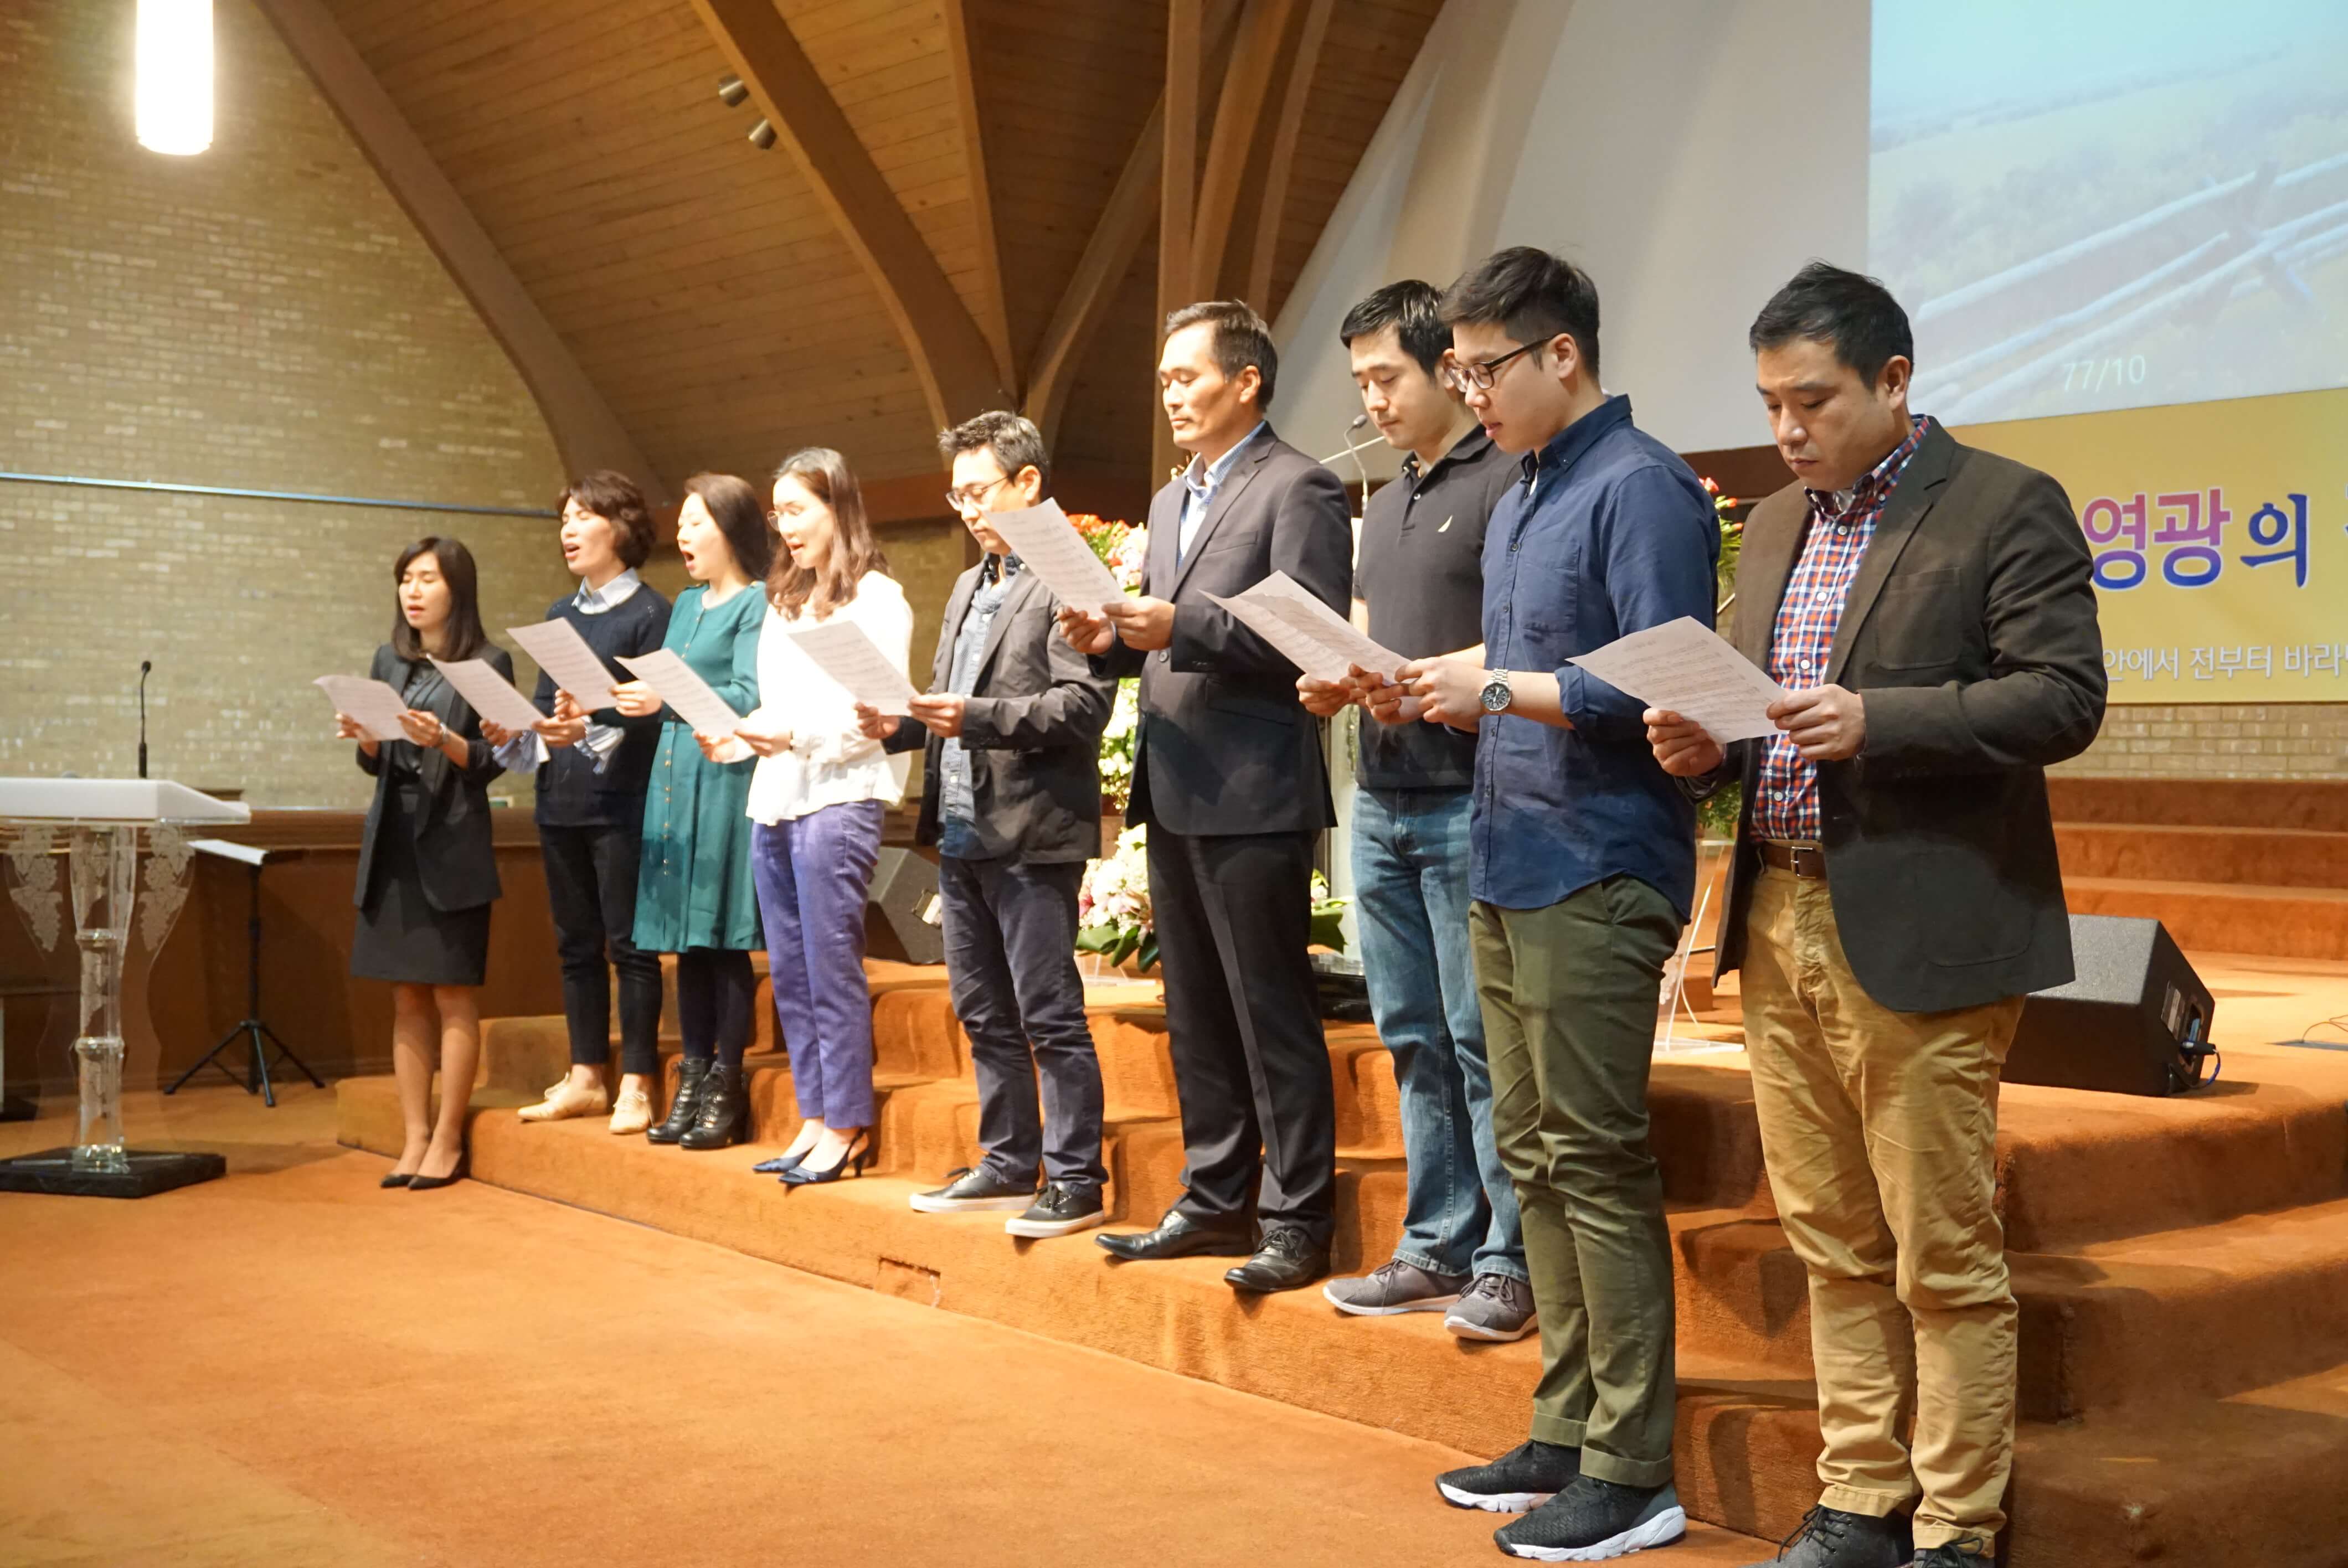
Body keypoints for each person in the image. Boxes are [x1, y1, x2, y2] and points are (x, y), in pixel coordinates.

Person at [1645, 262, 2105, 1568]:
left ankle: (1954, 1524)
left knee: (1939, 1252)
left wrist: (1877, 720)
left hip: (1923, 921)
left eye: (1812, 401)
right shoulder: (1772, 525)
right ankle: (1858, 1496)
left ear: (1892, 380)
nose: (1786, 430)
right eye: (1768, 405)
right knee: (1829, 1240)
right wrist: (1706, 747)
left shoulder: (2000, 504)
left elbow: (2062, 697)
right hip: (1776, 908)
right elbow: (1763, 713)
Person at [1372, 249, 1716, 1561]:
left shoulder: (1639, 485)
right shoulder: (1524, 490)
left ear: (1560, 354)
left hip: (1597, 859)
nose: (1469, 393)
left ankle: (1631, 1467)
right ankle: (1567, 1427)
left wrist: (1494, 689)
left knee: (1593, 1156)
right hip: (1508, 852)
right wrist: (1432, 678)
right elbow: (1520, 662)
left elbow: (1662, 675)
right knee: (1531, 1151)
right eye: (1457, 371)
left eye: (1483, 369)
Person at [1058, 299, 1352, 1294]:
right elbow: (1160, 639)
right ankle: (1217, 1196)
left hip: (1256, 785)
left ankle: (1298, 1216)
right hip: (1176, 776)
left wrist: (1177, 623)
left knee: (1271, 1014)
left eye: (1187, 377)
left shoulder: (1299, 485)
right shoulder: (1168, 500)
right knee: (1195, 1011)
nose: (1171, 396)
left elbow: (1311, 632)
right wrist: (1111, 637)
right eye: (1165, 382)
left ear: (1247, 380)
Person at [1304, 280, 1530, 1340]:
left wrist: (1423, 676)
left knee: (1482, 1038)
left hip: (1470, 795)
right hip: (1384, 796)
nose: (1373, 400)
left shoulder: (1505, 481)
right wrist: (1338, 675)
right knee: (1407, 1033)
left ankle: (1509, 1259)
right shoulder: (1387, 501)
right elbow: (1365, 632)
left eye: (1385, 377)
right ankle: (1436, 1242)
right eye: (1359, 383)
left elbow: (1528, 639)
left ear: (1448, 367)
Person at [860, 411, 1114, 1236]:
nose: (967, 509)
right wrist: (899, 724)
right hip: (962, 827)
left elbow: (1084, 706)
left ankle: (1075, 1178)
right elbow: (949, 703)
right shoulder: (972, 583)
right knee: (981, 1010)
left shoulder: (1069, 574)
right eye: (957, 495)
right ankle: (1008, 1162)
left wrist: (975, 717)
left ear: (1027, 482)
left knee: (1049, 1013)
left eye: (979, 491)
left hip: (1033, 826)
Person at [727, 448, 909, 1187]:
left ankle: (846, 1122)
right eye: (778, 514)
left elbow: (879, 717)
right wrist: (740, 733)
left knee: (831, 968)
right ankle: (814, 1112)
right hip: (775, 795)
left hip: (840, 795)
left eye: (798, 509)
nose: (785, 526)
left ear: (838, 506)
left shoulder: (878, 600)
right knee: (791, 972)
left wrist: (795, 734)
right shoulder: (783, 600)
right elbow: (777, 703)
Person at [490, 472, 674, 1136]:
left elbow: (658, 718)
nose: (567, 529)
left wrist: (593, 723)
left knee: (630, 945)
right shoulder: (558, 615)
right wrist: (526, 727)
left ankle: (637, 1082)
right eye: (563, 518)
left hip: (622, 799)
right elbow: (550, 707)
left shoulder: (651, 613)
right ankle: (587, 1075)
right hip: (560, 797)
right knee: (575, 946)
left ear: (620, 527)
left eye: (581, 516)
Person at [339, 537, 519, 1192]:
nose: (413, 591)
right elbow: (377, 763)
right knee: (405, 993)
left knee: (451, 992)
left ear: (456, 590)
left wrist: (445, 740)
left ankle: (447, 1138)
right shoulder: (388, 660)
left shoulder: (488, 662)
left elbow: (498, 759)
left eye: (427, 579)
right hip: (394, 838)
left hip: (452, 839)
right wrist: (366, 740)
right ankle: (413, 1136)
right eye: (406, 579)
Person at [622, 473, 769, 1152]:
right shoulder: (684, 604)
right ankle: (692, 1076)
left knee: (721, 936)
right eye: (679, 524)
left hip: (725, 775)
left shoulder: (756, 602)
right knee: (685, 941)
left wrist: (667, 698)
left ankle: (726, 1084)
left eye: (695, 523)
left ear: (730, 529)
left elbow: (748, 693)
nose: (681, 536)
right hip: (676, 777)